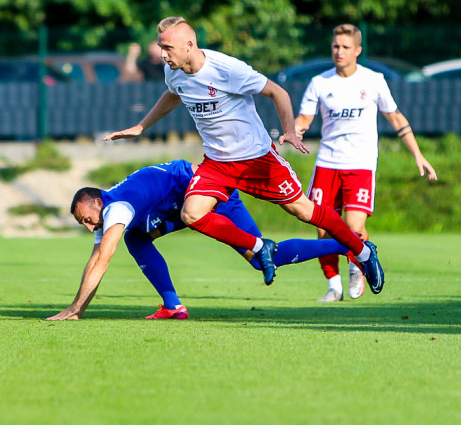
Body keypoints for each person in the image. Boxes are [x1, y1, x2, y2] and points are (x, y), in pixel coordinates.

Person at [103, 16, 385, 294]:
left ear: (189, 44)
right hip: (217, 164)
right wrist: (141, 126)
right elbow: (173, 93)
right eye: (161, 47)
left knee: (304, 211)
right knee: (191, 214)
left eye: (168, 48)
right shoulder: (173, 71)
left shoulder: (226, 69)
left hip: (257, 159)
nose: (163, 55)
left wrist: (289, 130)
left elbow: (277, 92)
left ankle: (362, 252)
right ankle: (261, 247)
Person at [48, 160, 351, 320]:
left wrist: (75, 309)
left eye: (86, 220)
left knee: (261, 260)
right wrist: (78, 308)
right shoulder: (110, 205)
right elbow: (96, 257)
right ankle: (173, 307)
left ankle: (349, 245)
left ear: (97, 203)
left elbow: (102, 259)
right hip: (182, 204)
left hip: (211, 194)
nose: (89, 228)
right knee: (137, 238)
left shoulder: (117, 209)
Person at [294, 24, 437, 302]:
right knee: (323, 230)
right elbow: (304, 119)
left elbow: (395, 117)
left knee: (353, 229)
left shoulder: (373, 80)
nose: (339, 52)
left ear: (358, 50)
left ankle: (356, 267)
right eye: (336, 46)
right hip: (327, 163)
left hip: (360, 164)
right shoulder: (320, 83)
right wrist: (295, 130)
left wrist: (417, 154)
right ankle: (333, 286)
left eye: (346, 47)